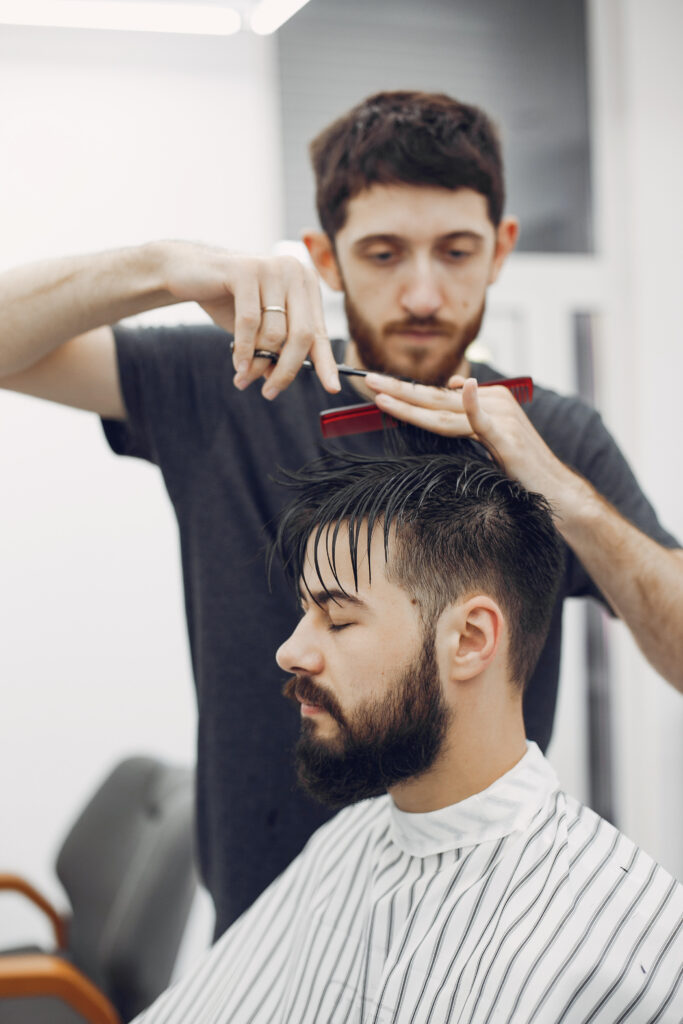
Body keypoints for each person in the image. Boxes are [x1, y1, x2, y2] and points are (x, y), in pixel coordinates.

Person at [0, 91, 681, 937]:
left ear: (501, 249)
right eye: (383, 254)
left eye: (456, 252)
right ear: (324, 256)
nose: (423, 293)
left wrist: (561, 491)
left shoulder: (555, 435)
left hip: (474, 936)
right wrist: (164, 265)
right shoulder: (233, 387)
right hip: (262, 930)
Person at [130, 446, 683, 1024]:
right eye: (304, 614)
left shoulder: (622, 944)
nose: (290, 651)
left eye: (337, 619)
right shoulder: (347, 845)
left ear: (469, 639)